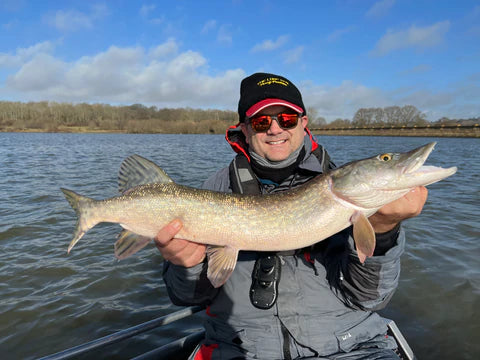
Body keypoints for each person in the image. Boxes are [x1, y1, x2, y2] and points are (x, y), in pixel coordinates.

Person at [155, 72, 427, 359]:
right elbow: (185, 297)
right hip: (243, 349)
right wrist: (187, 265)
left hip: (350, 347)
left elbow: (371, 296)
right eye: (261, 122)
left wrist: (383, 230)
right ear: (245, 130)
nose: (275, 129)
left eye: (287, 119)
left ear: (303, 123)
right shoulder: (214, 190)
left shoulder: (340, 188)